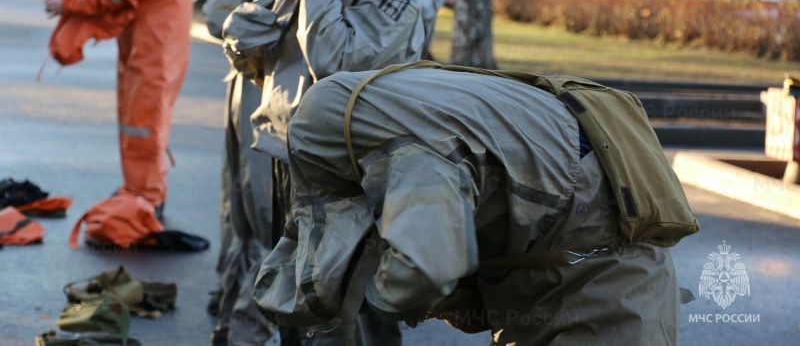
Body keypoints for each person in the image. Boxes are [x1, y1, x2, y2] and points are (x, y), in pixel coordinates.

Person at [253, 63, 700, 345]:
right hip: (559, 243)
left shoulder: (404, 147)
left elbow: (428, 265)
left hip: (599, 265)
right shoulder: (380, 102)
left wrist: (373, 300)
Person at [221, 0, 426, 344]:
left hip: (347, 169)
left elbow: (335, 64)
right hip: (282, 156)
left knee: (350, 308)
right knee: (295, 300)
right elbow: (247, 44)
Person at [44, 0, 193, 219]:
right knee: (143, 123)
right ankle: (141, 189)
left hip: (153, 57)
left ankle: (146, 198)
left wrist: (65, 5)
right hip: (151, 53)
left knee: (143, 124)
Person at [202, 0, 292, 346]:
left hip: (251, 83)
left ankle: (238, 304)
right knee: (274, 198)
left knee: (244, 198)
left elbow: (218, 17)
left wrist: (249, 26)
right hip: (294, 89)